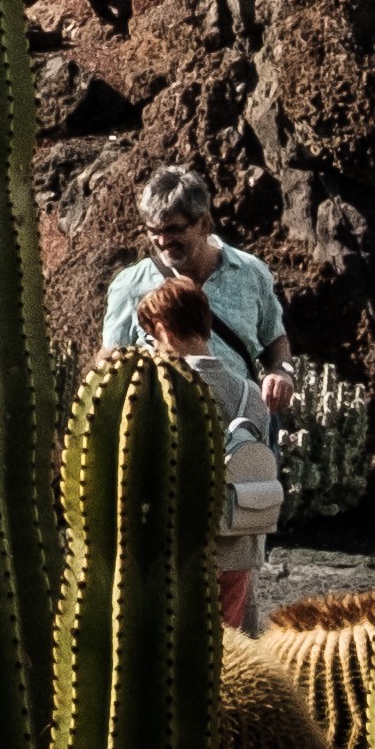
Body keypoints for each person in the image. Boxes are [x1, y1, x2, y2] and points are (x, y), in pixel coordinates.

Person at [140, 273, 283, 630]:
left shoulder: (156, 391)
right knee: (228, 658)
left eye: (150, 336)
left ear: (164, 330)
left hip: (175, 551)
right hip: (239, 546)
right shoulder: (251, 395)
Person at [92, 166, 286, 399]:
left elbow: (275, 339)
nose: (162, 241)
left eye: (173, 229)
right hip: (168, 429)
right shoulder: (131, 285)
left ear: (204, 224)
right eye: (153, 230)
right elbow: (111, 360)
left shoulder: (249, 273)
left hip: (241, 425)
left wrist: (281, 372)